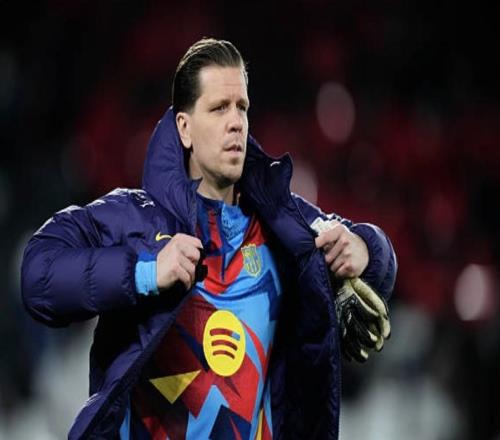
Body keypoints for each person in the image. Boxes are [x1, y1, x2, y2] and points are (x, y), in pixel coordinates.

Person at [21, 38, 396, 439]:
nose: (236, 122)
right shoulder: (134, 218)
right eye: (219, 108)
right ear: (184, 128)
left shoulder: (282, 223)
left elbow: (374, 257)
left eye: (242, 108)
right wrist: (145, 271)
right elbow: (38, 275)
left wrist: (365, 250)